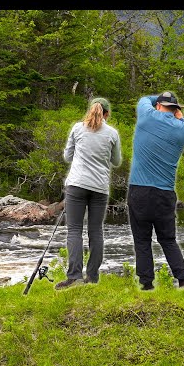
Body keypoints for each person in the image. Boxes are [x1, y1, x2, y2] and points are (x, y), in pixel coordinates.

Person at [128, 91, 184, 290]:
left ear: (159, 105)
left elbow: (144, 99)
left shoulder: (146, 115)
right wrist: (180, 115)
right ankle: (182, 280)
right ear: (174, 109)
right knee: (168, 239)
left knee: (142, 240)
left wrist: (160, 96)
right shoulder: (182, 129)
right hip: (165, 194)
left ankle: (147, 284)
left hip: (139, 191)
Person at [55, 97, 122, 289]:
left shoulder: (77, 128)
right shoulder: (112, 133)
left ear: (91, 110)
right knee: (96, 231)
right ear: (107, 114)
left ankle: (74, 277)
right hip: (99, 188)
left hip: (76, 184)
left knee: (74, 230)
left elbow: (67, 156)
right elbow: (116, 161)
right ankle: (92, 277)